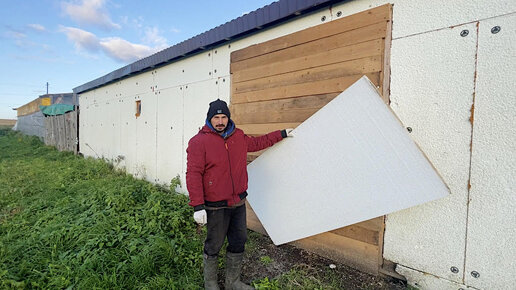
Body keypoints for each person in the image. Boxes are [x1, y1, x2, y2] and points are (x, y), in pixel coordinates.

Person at [186, 99, 292, 290]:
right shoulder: (198, 142)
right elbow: (193, 174)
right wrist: (198, 205)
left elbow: (259, 142)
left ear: (228, 117)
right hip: (215, 204)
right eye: (216, 117)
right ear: (209, 118)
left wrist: (282, 134)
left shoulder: (239, 136)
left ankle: (232, 282)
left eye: (223, 117)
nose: (220, 121)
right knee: (214, 244)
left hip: (238, 202)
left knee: (238, 241)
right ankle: (210, 284)